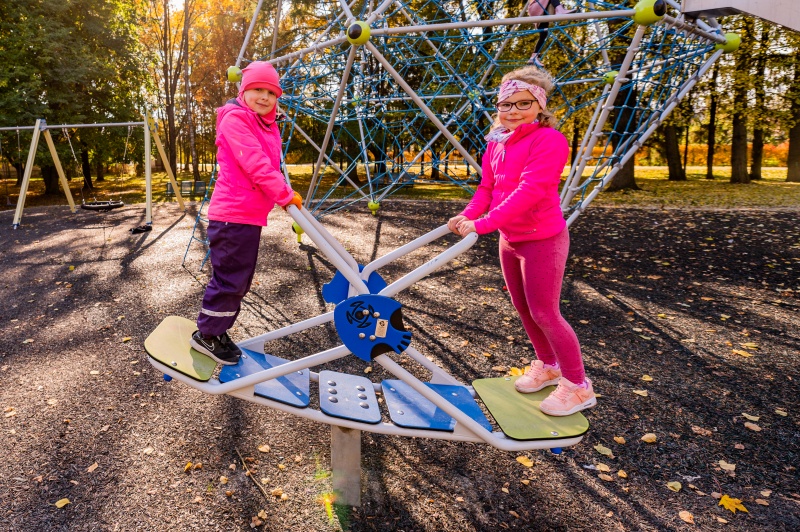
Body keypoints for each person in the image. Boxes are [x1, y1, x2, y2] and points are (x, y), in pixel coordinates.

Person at [448, 66, 596, 416]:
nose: (513, 111)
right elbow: (487, 188)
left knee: (545, 312)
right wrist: (468, 215)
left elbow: (530, 190)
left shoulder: (549, 140)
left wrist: (485, 223)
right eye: (506, 104)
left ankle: (578, 386)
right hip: (510, 238)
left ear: (539, 106)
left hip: (542, 239)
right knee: (524, 308)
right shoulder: (496, 143)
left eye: (523, 103)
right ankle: (548, 365)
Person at [190, 61, 302, 365]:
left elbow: (270, 164)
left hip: (247, 217)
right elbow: (255, 163)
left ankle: (217, 329)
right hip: (232, 216)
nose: (264, 97)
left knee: (239, 280)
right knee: (230, 280)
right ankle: (207, 335)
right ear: (243, 91)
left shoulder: (265, 123)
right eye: (257, 89)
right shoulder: (236, 119)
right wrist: (284, 194)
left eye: (271, 92)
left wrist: (282, 192)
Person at [526, 0, 575, 68]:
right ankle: (559, 10)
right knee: (543, 34)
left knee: (543, 34)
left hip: (542, 9)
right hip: (536, 7)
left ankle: (534, 57)